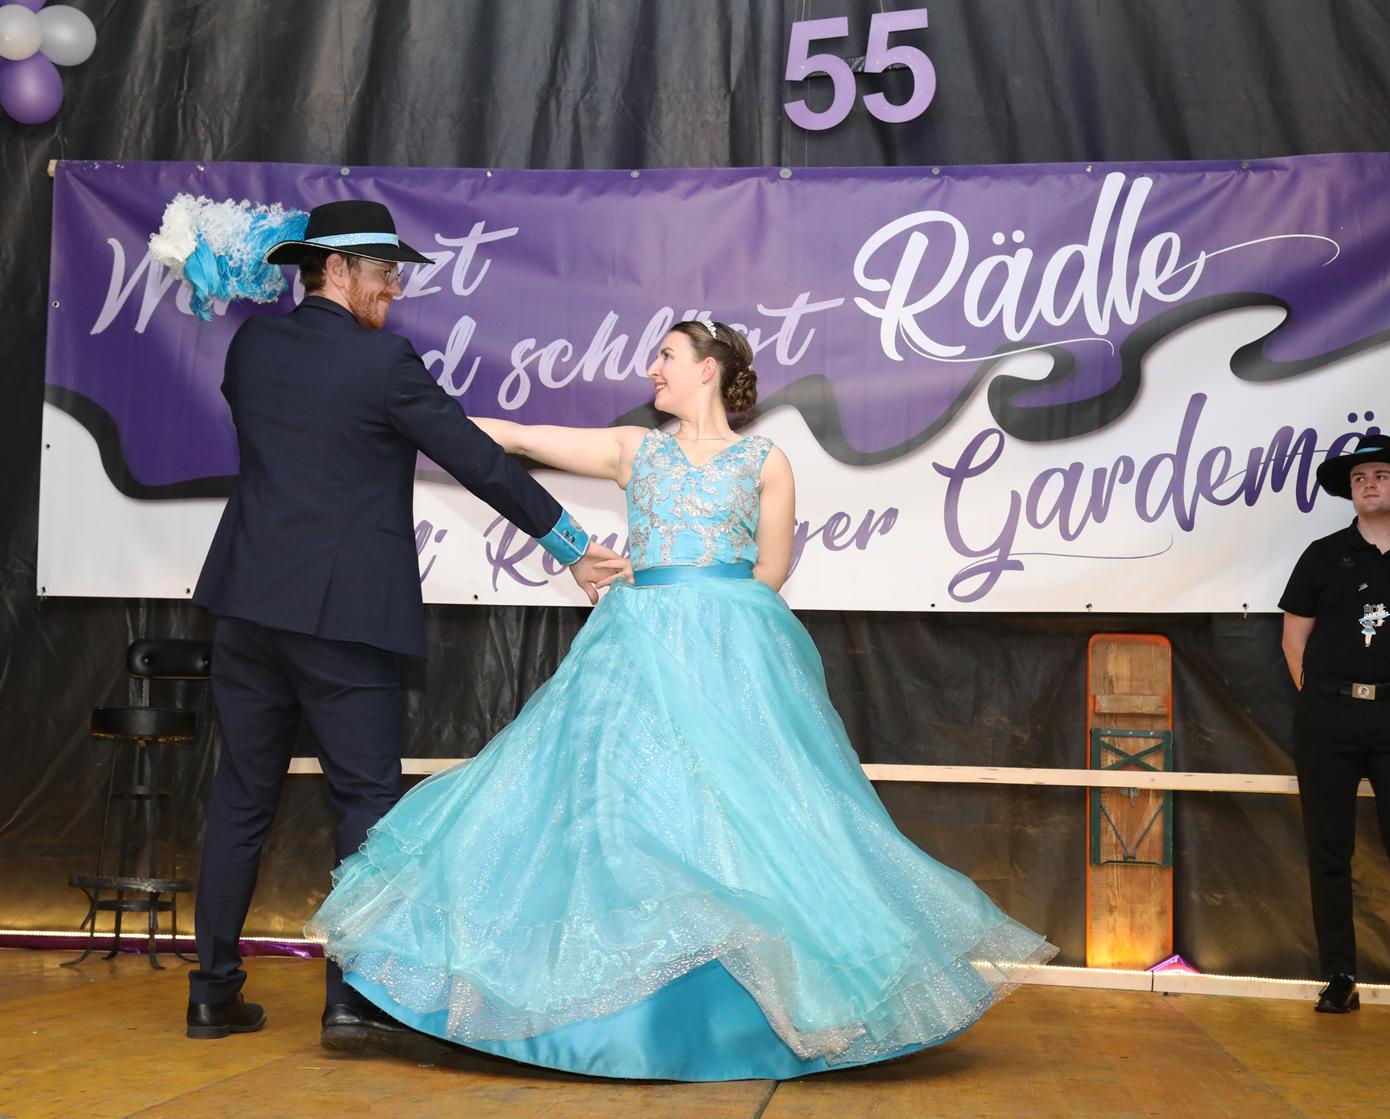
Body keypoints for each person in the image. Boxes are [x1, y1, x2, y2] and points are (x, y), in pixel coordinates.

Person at [304, 318, 1057, 1081]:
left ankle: (749, 1012)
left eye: (666, 355)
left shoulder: (764, 460)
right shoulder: (636, 449)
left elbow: (770, 570)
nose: (652, 368)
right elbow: (519, 437)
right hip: (634, 650)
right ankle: (616, 1012)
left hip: (731, 653)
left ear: (707, 368)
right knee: (622, 813)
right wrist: (410, 416)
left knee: (749, 816)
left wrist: (701, 603)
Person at [184, 200, 623, 1046]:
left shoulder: (251, 348)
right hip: (343, 615)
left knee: (241, 795)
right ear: (336, 268)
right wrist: (569, 544)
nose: (395, 286)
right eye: (384, 271)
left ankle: (211, 993)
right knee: (366, 801)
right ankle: (352, 1000)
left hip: (247, 604)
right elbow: (477, 460)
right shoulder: (382, 362)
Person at [1278, 434, 1390, 1021]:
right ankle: (1339, 976)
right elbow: (1294, 640)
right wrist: (1330, 698)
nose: (1367, 484)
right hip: (1328, 716)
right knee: (1329, 848)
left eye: (1379, 475)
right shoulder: (1322, 555)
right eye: (1358, 478)